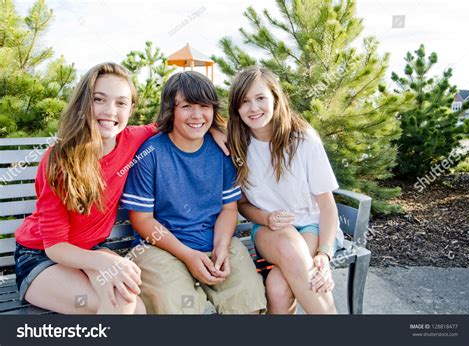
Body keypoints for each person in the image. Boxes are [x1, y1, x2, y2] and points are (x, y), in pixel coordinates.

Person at [14, 62, 228, 314]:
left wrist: (216, 128)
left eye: (121, 103)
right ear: (84, 103)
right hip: (42, 256)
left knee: (132, 306)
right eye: (99, 99)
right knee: (118, 307)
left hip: (91, 252)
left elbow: (180, 122)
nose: (110, 111)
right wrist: (103, 261)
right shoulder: (60, 159)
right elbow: (55, 246)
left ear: (131, 109)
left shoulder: (132, 139)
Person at [121, 71, 267, 314]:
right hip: (161, 248)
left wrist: (221, 246)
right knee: (178, 307)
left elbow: (228, 209)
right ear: (171, 110)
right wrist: (188, 256)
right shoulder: (151, 154)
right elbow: (141, 219)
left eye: (204, 106)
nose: (197, 115)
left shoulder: (221, 151)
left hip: (215, 240)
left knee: (247, 301)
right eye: (187, 106)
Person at [227, 66, 344, 314]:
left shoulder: (303, 140)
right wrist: (267, 217)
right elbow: (243, 204)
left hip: (311, 226)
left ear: (275, 99)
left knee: (278, 288)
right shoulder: (238, 143)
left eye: (260, 98)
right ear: (237, 108)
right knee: (290, 243)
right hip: (269, 230)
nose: (253, 108)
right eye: (245, 101)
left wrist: (324, 254)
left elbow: (327, 206)